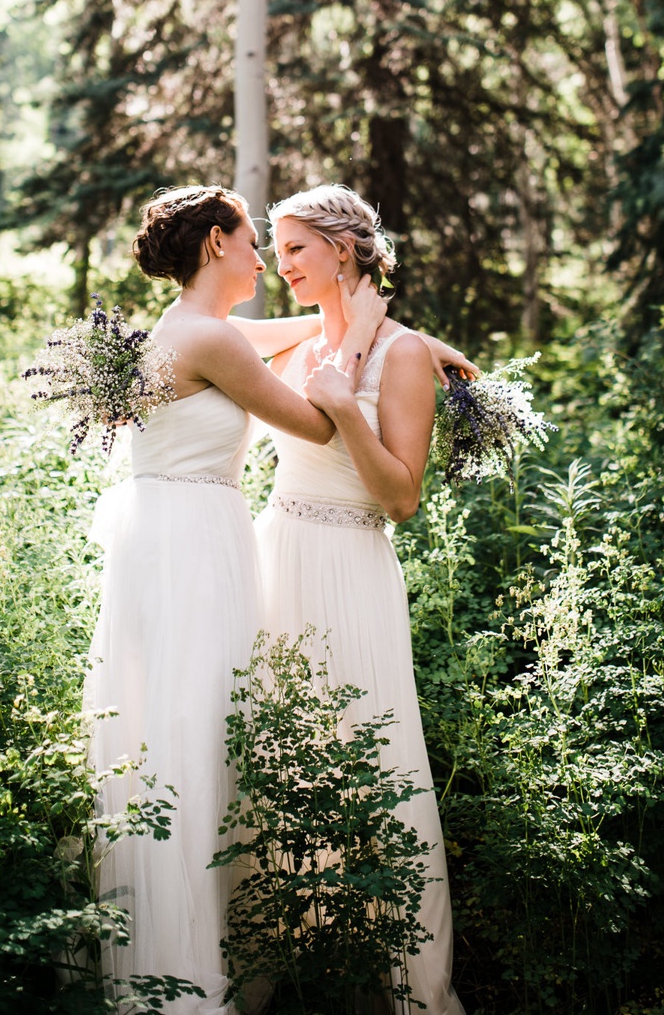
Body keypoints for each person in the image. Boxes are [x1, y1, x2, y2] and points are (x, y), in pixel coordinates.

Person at [84, 184, 388, 1012]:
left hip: (171, 534)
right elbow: (319, 423)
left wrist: (380, 332)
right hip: (190, 549)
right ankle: (190, 976)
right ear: (217, 243)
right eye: (254, 241)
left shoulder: (188, 329)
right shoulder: (211, 342)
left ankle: (193, 943)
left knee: (181, 726)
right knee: (201, 727)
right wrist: (358, 352)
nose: (263, 259)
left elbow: (275, 334)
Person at [254, 184, 468, 1015]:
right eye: (274, 250)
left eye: (296, 248)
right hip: (276, 556)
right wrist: (333, 352)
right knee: (272, 750)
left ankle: (395, 974)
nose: (282, 265)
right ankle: (289, 949)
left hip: (350, 562)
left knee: (368, 754)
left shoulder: (403, 356)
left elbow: (402, 499)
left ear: (343, 248)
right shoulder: (304, 343)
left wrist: (346, 410)